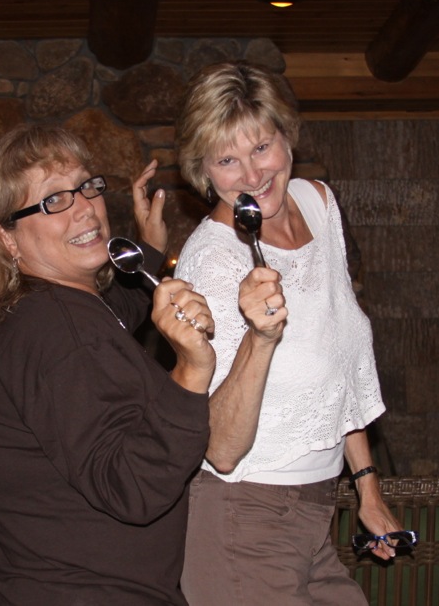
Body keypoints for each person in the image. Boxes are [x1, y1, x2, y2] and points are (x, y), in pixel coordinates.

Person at [0, 124, 216, 606]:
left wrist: (148, 251)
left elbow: (110, 323)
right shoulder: (58, 330)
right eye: (54, 200)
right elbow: (132, 485)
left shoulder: (34, 311)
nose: (85, 207)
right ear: (6, 238)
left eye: (86, 186)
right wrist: (190, 374)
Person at [173, 61, 402, 605]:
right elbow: (222, 450)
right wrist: (260, 336)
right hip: (240, 518)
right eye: (227, 160)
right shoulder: (211, 263)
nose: (252, 175)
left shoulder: (318, 205)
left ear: (287, 136)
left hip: (313, 512)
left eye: (261, 147)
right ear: (204, 171)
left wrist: (367, 486)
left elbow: (339, 365)